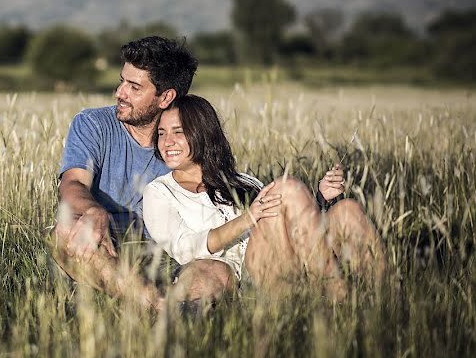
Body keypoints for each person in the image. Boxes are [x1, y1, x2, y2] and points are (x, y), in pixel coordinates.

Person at [143, 95, 387, 303]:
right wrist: (248, 218)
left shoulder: (241, 181)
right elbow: (185, 249)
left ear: (202, 133)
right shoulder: (160, 192)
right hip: (250, 277)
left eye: (178, 132)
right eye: (162, 133)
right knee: (286, 188)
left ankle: (386, 300)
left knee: (347, 210)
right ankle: (337, 294)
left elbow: (289, 227)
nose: (167, 142)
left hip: (285, 260)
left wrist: (322, 200)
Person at [48, 36, 198, 311]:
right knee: (66, 230)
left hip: (166, 254)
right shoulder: (93, 124)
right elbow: (72, 183)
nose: (120, 92)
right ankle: (155, 304)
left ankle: (155, 304)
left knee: (215, 271)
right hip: (106, 246)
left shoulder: (185, 139)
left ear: (166, 97)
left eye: (134, 87)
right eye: (122, 81)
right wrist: (95, 211)